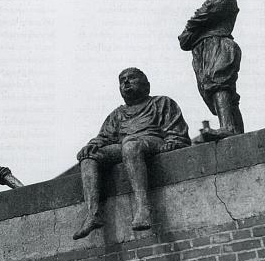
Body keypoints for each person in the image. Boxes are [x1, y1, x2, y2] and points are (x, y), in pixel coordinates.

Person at [73, 68, 191, 240]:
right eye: (122, 80)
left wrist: (172, 142)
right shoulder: (117, 114)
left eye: (132, 78)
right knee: (90, 157)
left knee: (130, 144)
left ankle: (143, 207)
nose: (126, 82)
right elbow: (104, 137)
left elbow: (175, 131)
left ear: (146, 85)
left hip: (151, 141)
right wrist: (92, 145)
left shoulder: (161, 103)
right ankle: (93, 214)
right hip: (126, 145)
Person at [178, 0, 243, 141]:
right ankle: (236, 131)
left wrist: (194, 24)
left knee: (219, 84)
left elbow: (211, 10)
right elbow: (184, 42)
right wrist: (196, 25)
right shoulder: (208, 4)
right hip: (202, 51)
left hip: (219, 43)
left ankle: (227, 127)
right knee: (214, 91)